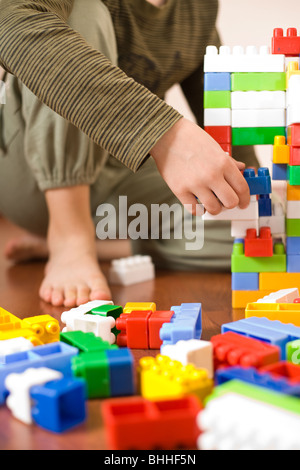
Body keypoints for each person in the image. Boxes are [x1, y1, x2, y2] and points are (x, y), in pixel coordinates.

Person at [0, 0, 257, 308]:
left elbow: (223, 121)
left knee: (252, 237)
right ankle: (69, 236)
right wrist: (164, 135)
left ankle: (102, 245)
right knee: (86, 12)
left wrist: (253, 202)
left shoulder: (198, 10)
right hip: (32, 169)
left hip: (116, 186)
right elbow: (9, 19)